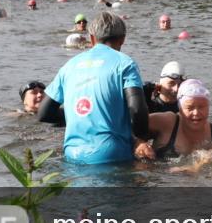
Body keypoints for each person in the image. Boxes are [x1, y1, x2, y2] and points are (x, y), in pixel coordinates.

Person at [39, 12, 150, 164]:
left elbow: (44, 113)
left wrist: (82, 114)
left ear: (92, 38)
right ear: (123, 38)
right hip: (111, 155)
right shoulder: (125, 63)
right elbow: (137, 109)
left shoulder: (69, 65)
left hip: (72, 154)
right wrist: (141, 139)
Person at [134, 79, 212, 159]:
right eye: (189, 108)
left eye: (202, 107)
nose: (196, 113)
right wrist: (139, 142)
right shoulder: (166, 122)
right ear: (179, 108)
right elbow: (127, 126)